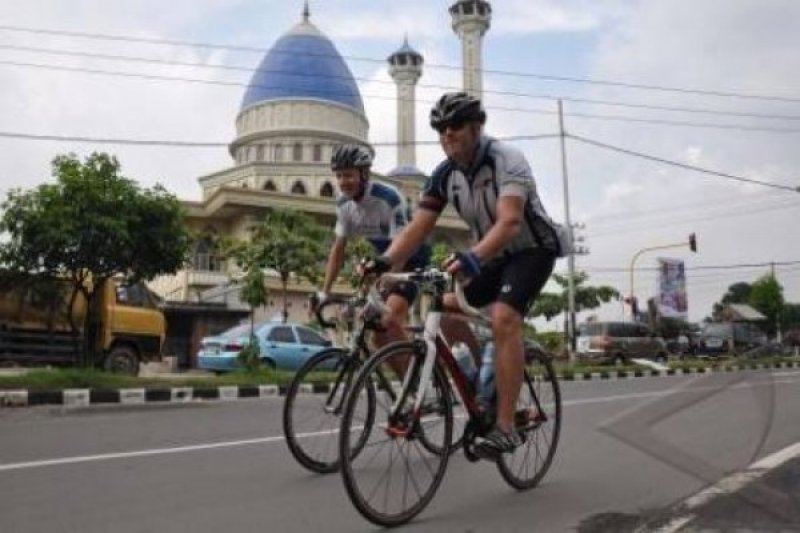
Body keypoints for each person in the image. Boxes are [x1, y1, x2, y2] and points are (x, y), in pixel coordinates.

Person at [362, 92, 564, 459]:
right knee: (445, 306)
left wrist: (473, 257)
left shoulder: (506, 160)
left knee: (504, 317)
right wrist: (384, 261)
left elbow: (510, 221)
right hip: (492, 255)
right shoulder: (444, 175)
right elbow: (418, 229)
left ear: (476, 127)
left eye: (455, 126)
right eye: (440, 129)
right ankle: (479, 386)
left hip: (531, 250)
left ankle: (505, 426)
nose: (447, 134)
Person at [316, 144, 428, 351]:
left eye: (348, 175)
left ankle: (417, 373)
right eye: (339, 176)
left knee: (389, 320)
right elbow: (338, 249)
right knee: (376, 337)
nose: (343, 182)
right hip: (383, 261)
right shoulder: (343, 205)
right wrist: (325, 291)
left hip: (411, 259)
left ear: (365, 174)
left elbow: (401, 248)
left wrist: (383, 286)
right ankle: (407, 375)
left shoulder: (389, 197)